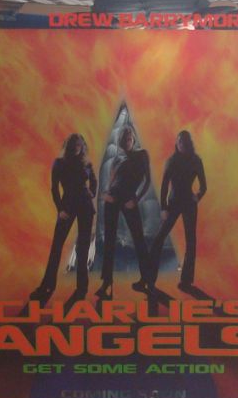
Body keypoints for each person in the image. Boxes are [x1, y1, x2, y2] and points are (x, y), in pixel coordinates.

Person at [30, 133, 96, 302]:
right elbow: (54, 189)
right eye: (74, 145)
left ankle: (82, 288)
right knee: (56, 246)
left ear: (83, 147)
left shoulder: (86, 163)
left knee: (83, 247)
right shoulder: (59, 163)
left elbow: (94, 182)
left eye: (80, 145)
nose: (77, 148)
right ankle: (47, 285)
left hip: (86, 206)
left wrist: (92, 192)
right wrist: (60, 209)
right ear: (69, 146)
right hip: (67, 206)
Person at [96, 125, 151, 300]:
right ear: (120, 142)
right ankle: (107, 282)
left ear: (133, 140)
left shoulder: (142, 154)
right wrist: (105, 195)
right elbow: (112, 182)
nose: (126, 142)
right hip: (112, 199)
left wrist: (136, 199)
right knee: (109, 240)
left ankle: (146, 279)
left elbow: (147, 180)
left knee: (139, 238)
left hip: (129, 199)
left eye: (129, 139)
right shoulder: (117, 159)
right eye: (123, 140)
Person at [148, 130, 206, 291]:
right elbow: (164, 185)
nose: (181, 144)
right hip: (173, 203)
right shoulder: (172, 161)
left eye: (183, 142)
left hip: (189, 204)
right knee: (159, 238)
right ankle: (149, 278)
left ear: (188, 143)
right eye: (179, 142)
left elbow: (204, 186)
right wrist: (163, 208)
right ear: (176, 143)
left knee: (191, 241)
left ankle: (186, 281)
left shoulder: (196, 160)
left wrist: (198, 196)